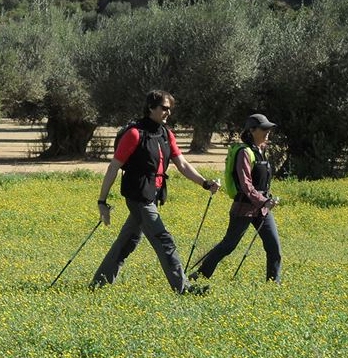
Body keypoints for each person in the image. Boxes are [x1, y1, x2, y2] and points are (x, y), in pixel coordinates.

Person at [91, 90, 220, 295]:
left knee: (128, 241)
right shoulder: (134, 134)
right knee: (163, 239)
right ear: (151, 107)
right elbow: (113, 167)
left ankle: (99, 284)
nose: (168, 112)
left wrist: (205, 183)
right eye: (164, 108)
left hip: (152, 195)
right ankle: (184, 288)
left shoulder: (165, 134)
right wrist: (102, 201)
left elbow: (182, 164)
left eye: (170, 109)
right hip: (138, 197)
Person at [190, 114, 282, 284]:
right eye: (264, 128)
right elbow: (245, 184)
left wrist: (267, 200)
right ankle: (199, 276)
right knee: (228, 245)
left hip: (262, 208)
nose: (268, 131)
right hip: (244, 208)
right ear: (252, 130)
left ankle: (273, 285)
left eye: (269, 128)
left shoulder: (262, 150)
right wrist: (263, 200)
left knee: (274, 246)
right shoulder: (244, 153)